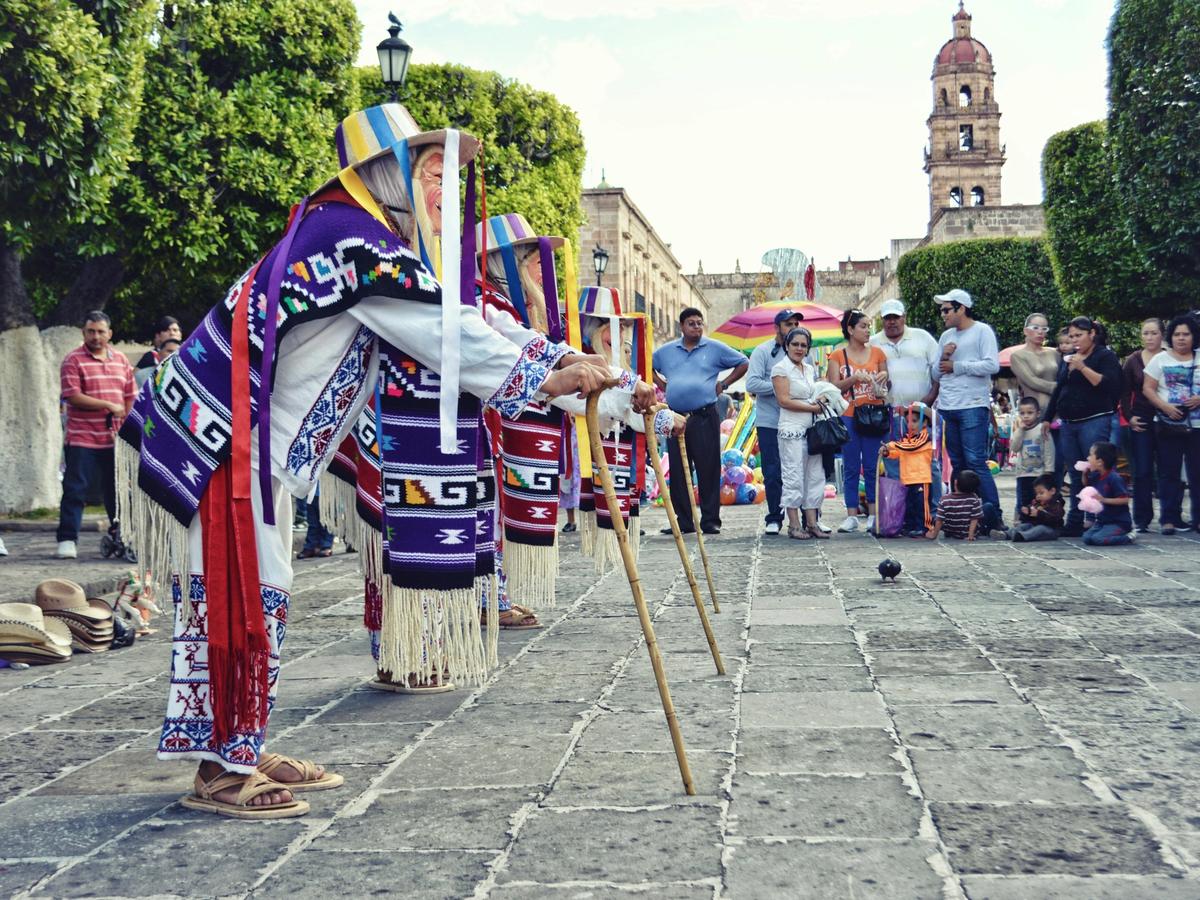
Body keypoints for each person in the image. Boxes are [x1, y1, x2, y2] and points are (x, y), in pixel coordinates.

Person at [116, 103, 611, 818]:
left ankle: (236, 749)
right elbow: (443, 333)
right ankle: (224, 770)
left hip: (248, 448)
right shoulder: (355, 244)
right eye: (435, 172)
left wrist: (560, 362)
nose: (450, 190)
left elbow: (461, 321)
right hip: (230, 449)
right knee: (245, 597)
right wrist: (545, 376)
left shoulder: (354, 236)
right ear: (390, 174)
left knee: (251, 595)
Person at [653, 307, 749, 535]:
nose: (696, 327)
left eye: (699, 323)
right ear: (682, 327)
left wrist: (723, 385)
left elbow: (742, 362)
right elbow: (646, 363)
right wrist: (662, 384)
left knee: (708, 468)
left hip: (704, 415)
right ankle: (684, 521)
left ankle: (710, 521)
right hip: (675, 418)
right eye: (691, 323)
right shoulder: (667, 351)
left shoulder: (713, 348)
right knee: (677, 470)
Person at [56, 311, 137, 560]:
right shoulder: (73, 360)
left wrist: (128, 421)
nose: (96, 336)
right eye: (91, 331)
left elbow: (130, 395)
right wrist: (108, 405)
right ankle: (68, 539)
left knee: (117, 490)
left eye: (101, 331)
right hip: (82, 437)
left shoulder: (121, 360)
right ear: (84, 332)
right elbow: (72, 395)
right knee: (75, 489)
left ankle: (120, 535)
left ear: (109, 334)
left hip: (114, 438)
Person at [931, 289, 1003, 534]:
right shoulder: (946, 336)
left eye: (946, 309)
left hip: (972, 403)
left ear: (961, 308)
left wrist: (956, 365)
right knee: (958, 463)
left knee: (975, 461)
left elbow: (992, 365)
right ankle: (961, 517)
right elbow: (935, 373)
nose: (943, 314)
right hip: (948, 405)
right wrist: (944, 356)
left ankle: (993, 514)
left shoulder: (981, 331)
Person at [1044, 316, 1123, 536]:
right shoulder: (1068, 358)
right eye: (1072, 336)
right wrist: (1047, 417)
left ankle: (1103, 518)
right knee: (1078, 474)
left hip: (1095, 419)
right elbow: (1060, 388)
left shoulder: (1104, 356)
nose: (1075, 340)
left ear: (1092, 334)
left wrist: (1082, 367)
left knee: (1097, 471)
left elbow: (1108, 384)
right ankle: (1075, 520)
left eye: (1079, 335)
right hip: (1069, 422)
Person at [869, 298, 943, 507]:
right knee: (894, 462)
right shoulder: (874, 343)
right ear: (882, 320)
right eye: (887, 318)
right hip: (891, 413)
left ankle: (934, 511)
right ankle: (900, 513)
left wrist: (929, 399)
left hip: (921, 413)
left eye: (896, 317)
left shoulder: (923, 338)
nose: (892, 322)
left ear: (904, 318)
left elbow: (937, 371)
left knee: (929, 463)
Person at [826, 309, 889, 533]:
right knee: (851, 465)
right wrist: (853, 378)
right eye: (863, 326)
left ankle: (873, 513)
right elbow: (832, 387)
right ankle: (851, 514)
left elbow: (885, 390)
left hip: (874, 415)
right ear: (850, 329)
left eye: (869, 326)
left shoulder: (879, 354)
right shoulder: (837, 356)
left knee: (873, 466)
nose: (867, 331)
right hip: (850, 415)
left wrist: (882, 380)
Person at [771, 325, 836, 540]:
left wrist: (821, 399)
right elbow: (784, 400)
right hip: (791, 429)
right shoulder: (780, 369)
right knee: (794, 476)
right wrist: (812, 407)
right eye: (795, 344)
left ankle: (812, 523)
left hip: (812, 430)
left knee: (815, 476)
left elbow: (814, 393)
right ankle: (793, 524)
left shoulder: (808, 368)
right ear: (787, 346)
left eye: (803, 345)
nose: (799, 348)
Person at [746, 308, 804, 535]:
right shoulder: (762, 352)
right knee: (773, 470)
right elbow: (751, 384)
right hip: (770, 420)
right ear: (777, 327)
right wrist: (781, 387)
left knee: (800, 468)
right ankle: (774, 516)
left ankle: (804, 517)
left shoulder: (802, 351)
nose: (793, 328)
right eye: (788, 324)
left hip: (798, 420)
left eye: (796, 324)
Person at [1142, 314, 1200, 534]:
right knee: (1169, 473)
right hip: (1168, 424)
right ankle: (1169, 518)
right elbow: (1148, 388)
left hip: (1197, 426)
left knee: (1197, 473)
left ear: (1194, 336)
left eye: (1186, 334)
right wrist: (1165, 407)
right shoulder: (1161, 359)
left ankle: (1198, 519)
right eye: (1177, 334)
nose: (1182, 338)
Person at [1121, 318, 1165, 532]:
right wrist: (1129, 417)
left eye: (1154, 333)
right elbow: (1124, 391)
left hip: (1168, 418)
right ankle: (1141, 518)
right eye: (1145, 333)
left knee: (1167, 470)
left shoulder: (1169, 357)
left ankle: (1170, 517)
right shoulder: (1133, 360)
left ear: (1162, 335)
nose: (1149, 337)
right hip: (1142, 419)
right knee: (1142, 470)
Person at [881, 402, 936, 538]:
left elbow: (908, 447)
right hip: (907, 478)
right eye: (908, 421)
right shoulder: (907, 439)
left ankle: (925, 527)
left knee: (922, 506)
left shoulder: (924, 437)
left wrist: (890, 445)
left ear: (924, 423)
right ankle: (911, 526)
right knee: (910, 505)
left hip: (921, 479)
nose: (910, 425)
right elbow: (899, 453)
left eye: (915, 421)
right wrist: (888, 453)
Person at [1009, 396, 1055, 519]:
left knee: (1036, 500)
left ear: (1038, 413)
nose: (1026, 416)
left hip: (1039, 473)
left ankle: (1034, 522)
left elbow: (1049, 449)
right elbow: (1014, 448)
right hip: (1023, 473)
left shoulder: (1042, 429)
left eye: (1030, 413)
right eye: (1022, 413)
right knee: (1022, 500)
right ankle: (1020, 522)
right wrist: (1020, 431)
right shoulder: (1020, 431)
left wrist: (1049, 470)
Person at [1080, 441, 1133, 546]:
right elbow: (1087, 485)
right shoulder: (1096, 475)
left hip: (1118, 522)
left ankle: (1128, 537)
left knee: (1098, 539)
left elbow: (1124, 499)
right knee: (1086, 538)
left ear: (1100, 462)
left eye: (1091, 455)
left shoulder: (1114, 478)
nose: (1088, 458)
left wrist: (1103, 500)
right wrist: (1084, 474)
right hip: (1102, 522)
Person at [926, 468, 982, 541]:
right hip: (967, 532)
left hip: (951, 531)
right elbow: (974, 518)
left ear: (955, 483)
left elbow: (939, 520)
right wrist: (970, 536)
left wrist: (934, 535)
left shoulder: (945, 499)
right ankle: (990, 528)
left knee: (935, 516)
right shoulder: (974, 499)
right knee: (988, 507)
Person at [1010, 474, 1065, 542]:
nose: (1038, 496)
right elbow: (1029, 519)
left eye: (1041, 493)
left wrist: (1039, 514)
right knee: (1024, 526)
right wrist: (1027, 512)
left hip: (1051, 530)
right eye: (1037, 494)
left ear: (1052, 491)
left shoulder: (1057, 505)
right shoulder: (1036, 503)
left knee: (1040, 529)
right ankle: (1007, 534)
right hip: (1035, 526)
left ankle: (1022, 536)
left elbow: (1054, 519)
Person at [134, 316, 184, 388]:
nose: (172, 333)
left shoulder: (187, 354)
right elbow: (133, 379)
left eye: (175, 330)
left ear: (180, 335)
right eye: (167, 330)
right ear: (158, 336)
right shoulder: (150, 356)